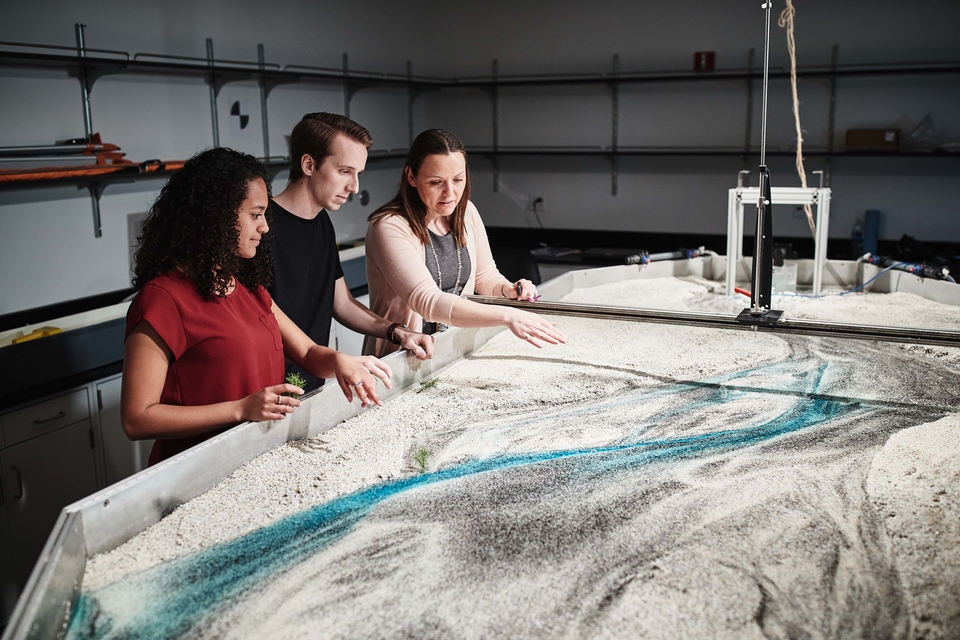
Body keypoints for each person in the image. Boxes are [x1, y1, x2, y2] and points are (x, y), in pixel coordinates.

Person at [122, 147, 388, 466]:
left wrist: (341, 361)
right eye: (255, 214)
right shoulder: (162, 299)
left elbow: (306, 353)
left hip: (256, 460)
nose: (264, 227)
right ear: (216, 216)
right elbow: (137, 418)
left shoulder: (250, 288)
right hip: (196, 471)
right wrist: (241, 409)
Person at [363, 129, 567, 358]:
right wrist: (507, 315)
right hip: (401, 358)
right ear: (411, 176)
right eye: (436, 182)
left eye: (458, 180)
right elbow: (427, 301)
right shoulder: (389, 226)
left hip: (454, 350)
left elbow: (485, 277)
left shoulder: (466, 212)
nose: (450, 193)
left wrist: (508, 290)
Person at [269, 112, 434, 392]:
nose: (354, 187)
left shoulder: (321, 222)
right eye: (345, 171)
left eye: (358, 174)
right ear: (309, 164)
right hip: (269, 388)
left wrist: (397, 331)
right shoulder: (261, 228)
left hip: (311, 383)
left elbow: (342, 304)